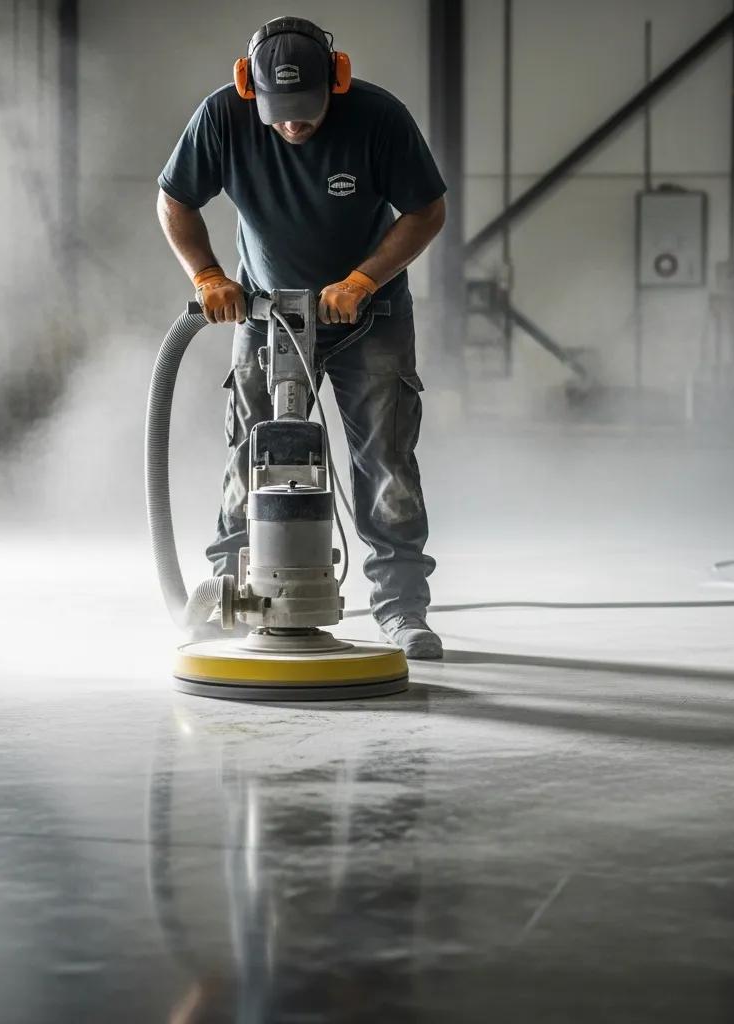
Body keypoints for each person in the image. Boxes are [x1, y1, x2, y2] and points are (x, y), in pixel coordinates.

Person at [156, 16, 446, 659]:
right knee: (250, 455)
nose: (292, 125)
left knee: (387, 461)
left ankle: (401, 611)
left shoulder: (379, 119)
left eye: (307, 111)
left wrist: (364, 280)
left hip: (370, 314)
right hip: (267, 313)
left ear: (336, 83)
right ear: (249, 90)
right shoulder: (221, 118)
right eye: (278, 113)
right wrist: (207, 274)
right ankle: (234, 594)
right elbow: (174, 199)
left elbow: (428, 209)